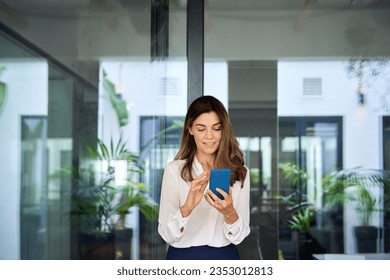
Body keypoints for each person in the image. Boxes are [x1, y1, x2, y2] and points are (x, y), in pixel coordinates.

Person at [158, 95, 250, 260]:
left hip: (225, 258)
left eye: (216, 128)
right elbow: (166, 233)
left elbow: (239, 236)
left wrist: (229, 212)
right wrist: (187, 207)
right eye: (201, 129)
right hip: (182, 259)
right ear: (190, 129)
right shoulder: (174, 170)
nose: (209, 136)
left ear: (224, 130)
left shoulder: (240, 173)